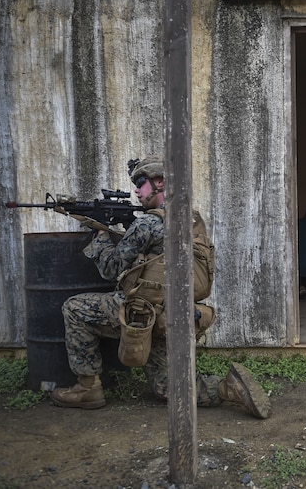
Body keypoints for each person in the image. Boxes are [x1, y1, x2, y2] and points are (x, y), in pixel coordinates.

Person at [50, 155, 271, 419]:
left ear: (160, 182)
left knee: (74, 309)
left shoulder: (148, 224)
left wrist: (100, 236)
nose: (136, 189)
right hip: (174, 316)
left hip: (143, 314)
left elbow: (110, 269)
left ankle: (88, 388)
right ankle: (227, 388)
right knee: (167, 387)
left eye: (140, 182)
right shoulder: (191, 219)